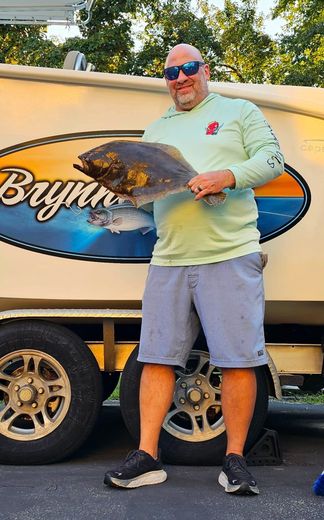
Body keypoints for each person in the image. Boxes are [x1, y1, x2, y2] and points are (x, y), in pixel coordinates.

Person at [104, 43, 284, 495]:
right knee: (156, 358)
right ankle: (147, 457)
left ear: (204, 70)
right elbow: (145, 188)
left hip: (230, 253)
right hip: (169, 257)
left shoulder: (238, 110)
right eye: (171, 73)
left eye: (187, 69)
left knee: (238, 361)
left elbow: (271, 160)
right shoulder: (157, 127)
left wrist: (225, 176)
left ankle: (236, 460)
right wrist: (128, 189)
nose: (180, 78)